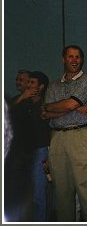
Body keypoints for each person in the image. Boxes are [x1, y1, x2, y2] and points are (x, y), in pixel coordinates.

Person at [41, 45, 87, 221]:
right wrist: (71, 106)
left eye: (77, 57)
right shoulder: (53, 86)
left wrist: (66, 106)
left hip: (81, 136)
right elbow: (45, 113)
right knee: (61, 193)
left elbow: (69, 105)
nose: (74, 60)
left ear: (82, 59)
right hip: (57, 137)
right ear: (63, 59)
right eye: (70, 56)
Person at [6, 71, 51, 222]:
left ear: (41, 86)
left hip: (40, 151)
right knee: (19, 193)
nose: (27, 86)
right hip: (20, 154)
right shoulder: (20, 102)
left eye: (32, 83)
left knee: (39, 194)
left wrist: (50, 156)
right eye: (28, 82)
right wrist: (22, 98)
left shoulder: (47, 104)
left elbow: (53, 130)